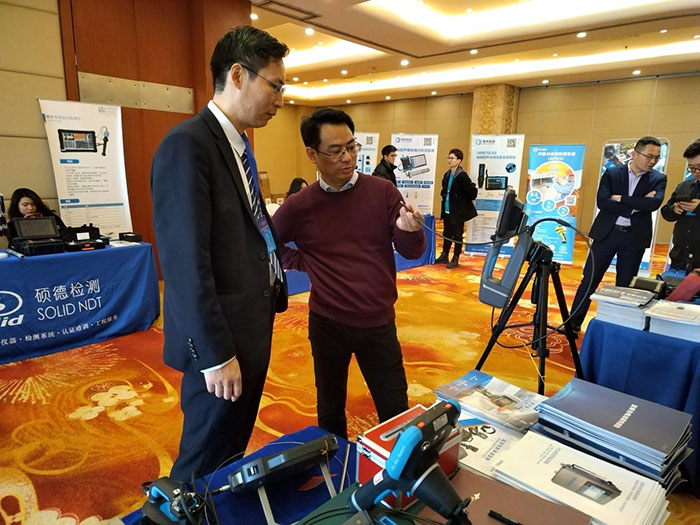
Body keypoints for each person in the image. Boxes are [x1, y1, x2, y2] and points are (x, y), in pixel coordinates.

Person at [150, 26, 289, 482]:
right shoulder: (188, 144)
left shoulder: (237, 144)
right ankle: (174, 511)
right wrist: (213, 354)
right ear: (238, 75)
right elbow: (185, 263)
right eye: (275, 86)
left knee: (230, 449)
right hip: (219, 339)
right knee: (202, 457)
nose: (280, 99)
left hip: (249, 324)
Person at [272, 108, 426, 439]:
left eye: (352, 147)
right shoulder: (300, 205)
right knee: (330, 407)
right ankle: (335, 463)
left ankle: (397, 469)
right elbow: (267, 246)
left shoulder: (382, 191)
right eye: (335, 150)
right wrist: (306, 263)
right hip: (327, 323)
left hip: (377, 321)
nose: (347, 157)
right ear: (312, 154)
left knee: (395, 408)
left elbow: (412, 251)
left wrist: (409, 230)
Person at [568, 136, 667, 333]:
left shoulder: (658, 178)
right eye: (649, 156)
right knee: (589, 280)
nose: (653, 161)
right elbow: (603, 202)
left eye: (657, 157)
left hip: (634, 238)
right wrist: (636, 205)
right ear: (635, 154)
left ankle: (617, 327)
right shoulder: (612, 173)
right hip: (607, 234)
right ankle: (573, 323)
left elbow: (653, 204)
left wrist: (620, 198)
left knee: (625, 286)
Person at [660, 139, 700, 272]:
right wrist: (674, 209)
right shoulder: (684, 186)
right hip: (680, 256)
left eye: (699, 167)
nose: (696, 172)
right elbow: (666, 212)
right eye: (692, 168)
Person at [435, 148, 477, 268]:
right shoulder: (447, 174)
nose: (449, 160)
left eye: (452, 158)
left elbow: (472, 193)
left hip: (458, 211)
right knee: (447, 233)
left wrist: (462, 201)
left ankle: (456, 257)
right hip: (447, 209)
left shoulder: (462, 176)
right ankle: (445, 254)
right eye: (448, 158)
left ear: (459, 160)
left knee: (457, 235)